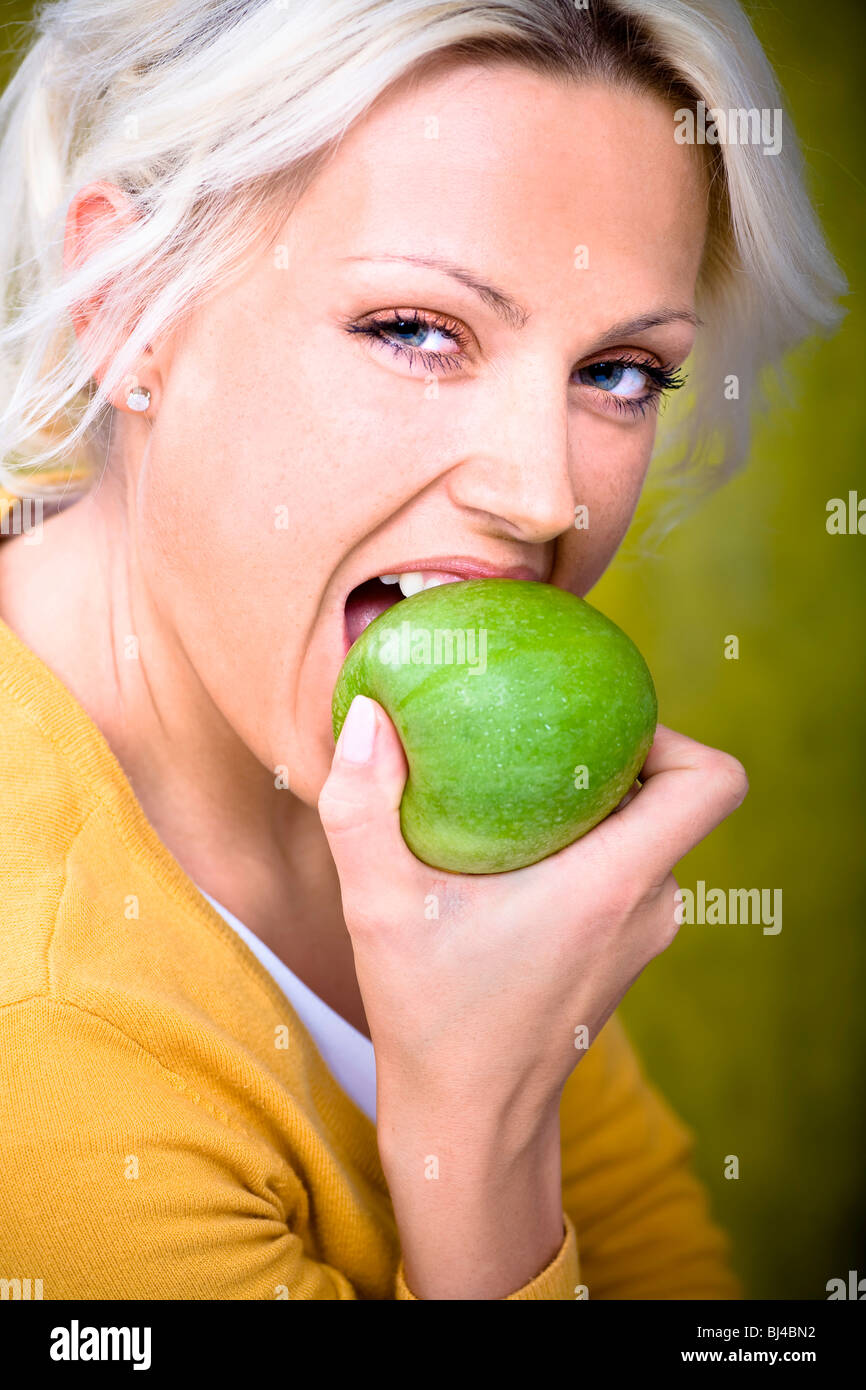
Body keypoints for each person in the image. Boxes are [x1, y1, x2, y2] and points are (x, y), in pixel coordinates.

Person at [0, 0, 844, 1299]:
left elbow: (663, 1260)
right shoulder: (43, 1049)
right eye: (414, 329)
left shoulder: (420, 752)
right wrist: (478, 1141)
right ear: (127, 308)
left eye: (619, 370)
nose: (544, 493)